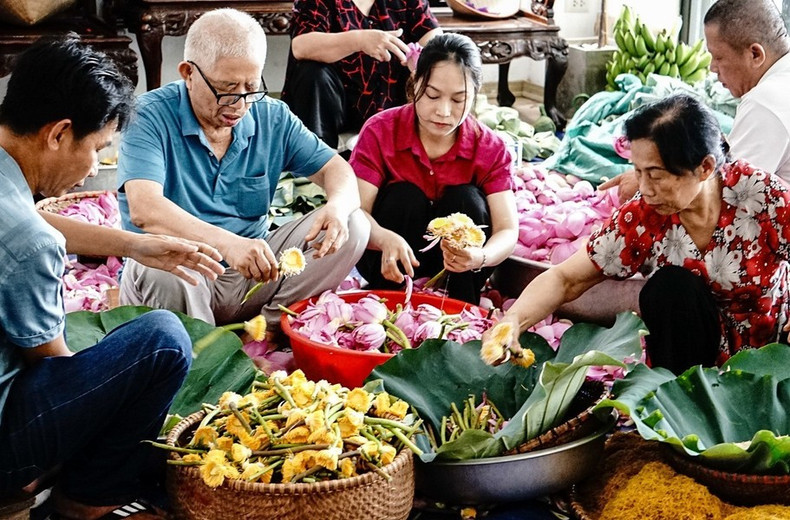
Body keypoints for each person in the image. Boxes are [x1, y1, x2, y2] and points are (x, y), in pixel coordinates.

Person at [0, 36, 225, 519]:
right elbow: (51, 366)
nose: (92, 170)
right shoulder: (27, 239)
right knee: (162, 340)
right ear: (59, 133)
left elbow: (21, 222)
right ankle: (86, 499)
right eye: (98, 149)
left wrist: (135, 245)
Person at [487, 93, 790, 374]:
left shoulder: (760, 195)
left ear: (705, 167)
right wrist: (514, 320)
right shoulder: (642, 217)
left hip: (772, 353)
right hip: (693, 358)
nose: (644, 189)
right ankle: (679, 404)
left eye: (655, 175)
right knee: (669, 287)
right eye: (638, 172)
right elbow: (566, 278)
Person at [117, 9, 370, 338]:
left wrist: (336, 206)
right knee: (167, 259)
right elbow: (144, 210)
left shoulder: (271, 116)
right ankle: (201, 357)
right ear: (188, 73)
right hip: (179, 279)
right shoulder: (148, 115)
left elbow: (337, 170)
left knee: (353, 223)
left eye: (251, 87)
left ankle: (263, 333)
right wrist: (229, 244)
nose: (239, 104)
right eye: (227, 88)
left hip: (249, 276)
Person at [350, 33, 519, 304]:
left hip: (461, 268)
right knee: (404, 197)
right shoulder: (380, 131)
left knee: (466, 200)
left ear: (475, 94)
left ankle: (462, 303)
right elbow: (356, 213)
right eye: (432, 95)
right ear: (414, 84)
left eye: (457, 99)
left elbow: (507, 230)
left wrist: (479, 257)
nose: (443, 111)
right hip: (388, 258)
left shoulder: (490, 147)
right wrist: (383, 238)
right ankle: (385, 300)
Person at [601, 0, 790, 201]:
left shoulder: (765, 102)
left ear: (755, 54)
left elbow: (730, 195)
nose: (712, 68)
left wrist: (645, 182)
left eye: (718, 57)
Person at [280, 0, 442, 150]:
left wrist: (421, 58)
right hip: (333, 107)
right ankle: (316, 162)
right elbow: (301, 46)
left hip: (388, 103)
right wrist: (359, 40)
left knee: (437, 69)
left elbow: (433, 36)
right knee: (311, 71)